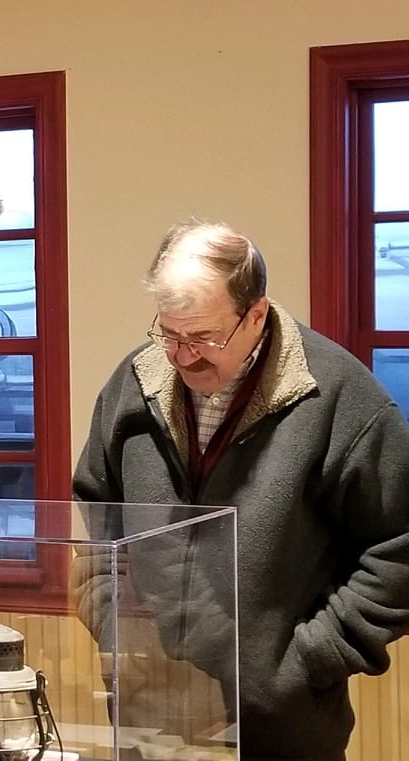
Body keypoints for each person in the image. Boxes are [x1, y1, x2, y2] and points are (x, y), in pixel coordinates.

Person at [71, 220, 409, 761]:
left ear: (256, 313)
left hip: (280, 730)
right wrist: (116, 626)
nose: (183, 357)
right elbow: (96, 516)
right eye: (169, 334)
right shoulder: (134, 383)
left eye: (203, 337)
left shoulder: (341, 400)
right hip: (146, 718)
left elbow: (400, 550)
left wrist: (301, 664)